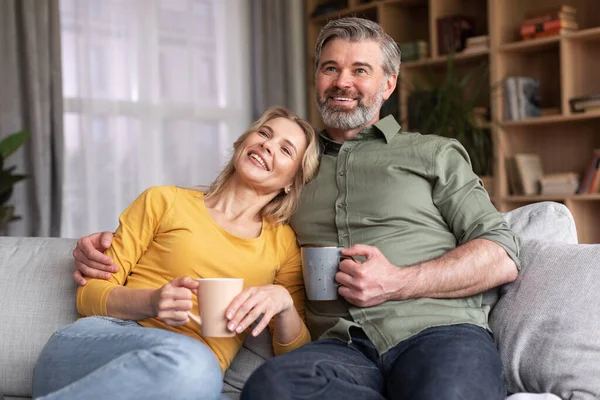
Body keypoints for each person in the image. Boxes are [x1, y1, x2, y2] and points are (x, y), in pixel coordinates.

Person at [73, 18, 521, 400]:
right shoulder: (293, 171)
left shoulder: (434, 154)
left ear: (388, 83)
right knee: (274, 388)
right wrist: (101, 245)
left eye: (360, 70)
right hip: (342, 349)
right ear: (318, 80)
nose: (343, 81)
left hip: (437, 332)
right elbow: (212, 218)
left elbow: (502, 254)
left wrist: (398, 282)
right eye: (331, 68)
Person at [32, 106, 320, 400]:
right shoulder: (163, 201)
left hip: (183, 383)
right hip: (97, 345)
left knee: (194, 371)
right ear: (243, 142)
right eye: (264, 133)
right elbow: (88, 295)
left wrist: (283, 304)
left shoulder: (283, 244)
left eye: (285, 149)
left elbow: (295, 357)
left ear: (291, 182)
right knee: (194, 365)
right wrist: (153, 301)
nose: (267, 145)